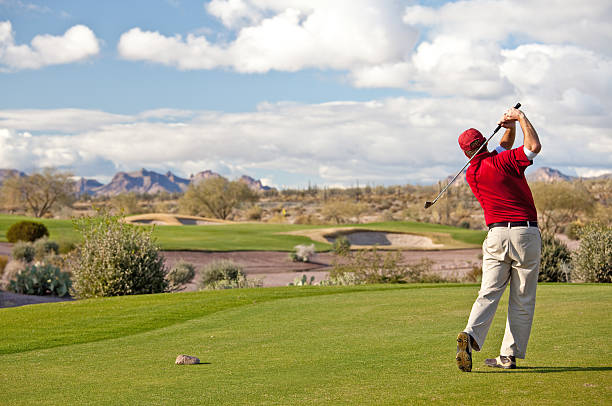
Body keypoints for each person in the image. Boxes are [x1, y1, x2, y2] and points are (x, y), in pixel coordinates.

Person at [455, 107, 542, 372]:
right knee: (522, 297)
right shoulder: (505, 162)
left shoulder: (473, 172)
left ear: (467, 153)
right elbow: (534, 147)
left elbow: (503, 147)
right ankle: (508, 356)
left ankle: (470, 335)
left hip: (495, 237)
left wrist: (509, 128)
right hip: (524, 234)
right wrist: (520, 118)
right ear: (484, 141)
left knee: (489, 292)